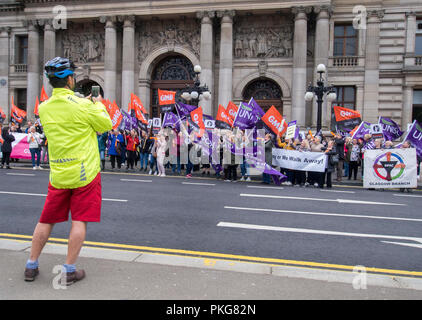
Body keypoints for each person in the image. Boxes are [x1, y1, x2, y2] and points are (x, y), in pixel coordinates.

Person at [24, 57, 112, 285]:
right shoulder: (84, 105)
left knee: (46, 220)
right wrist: (98, 103)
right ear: (71, 79)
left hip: (59, 173)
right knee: (79, 220)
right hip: (85, 174)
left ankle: (31, 265)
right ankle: (68, 270)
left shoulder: (43, 108)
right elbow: (105, 125)